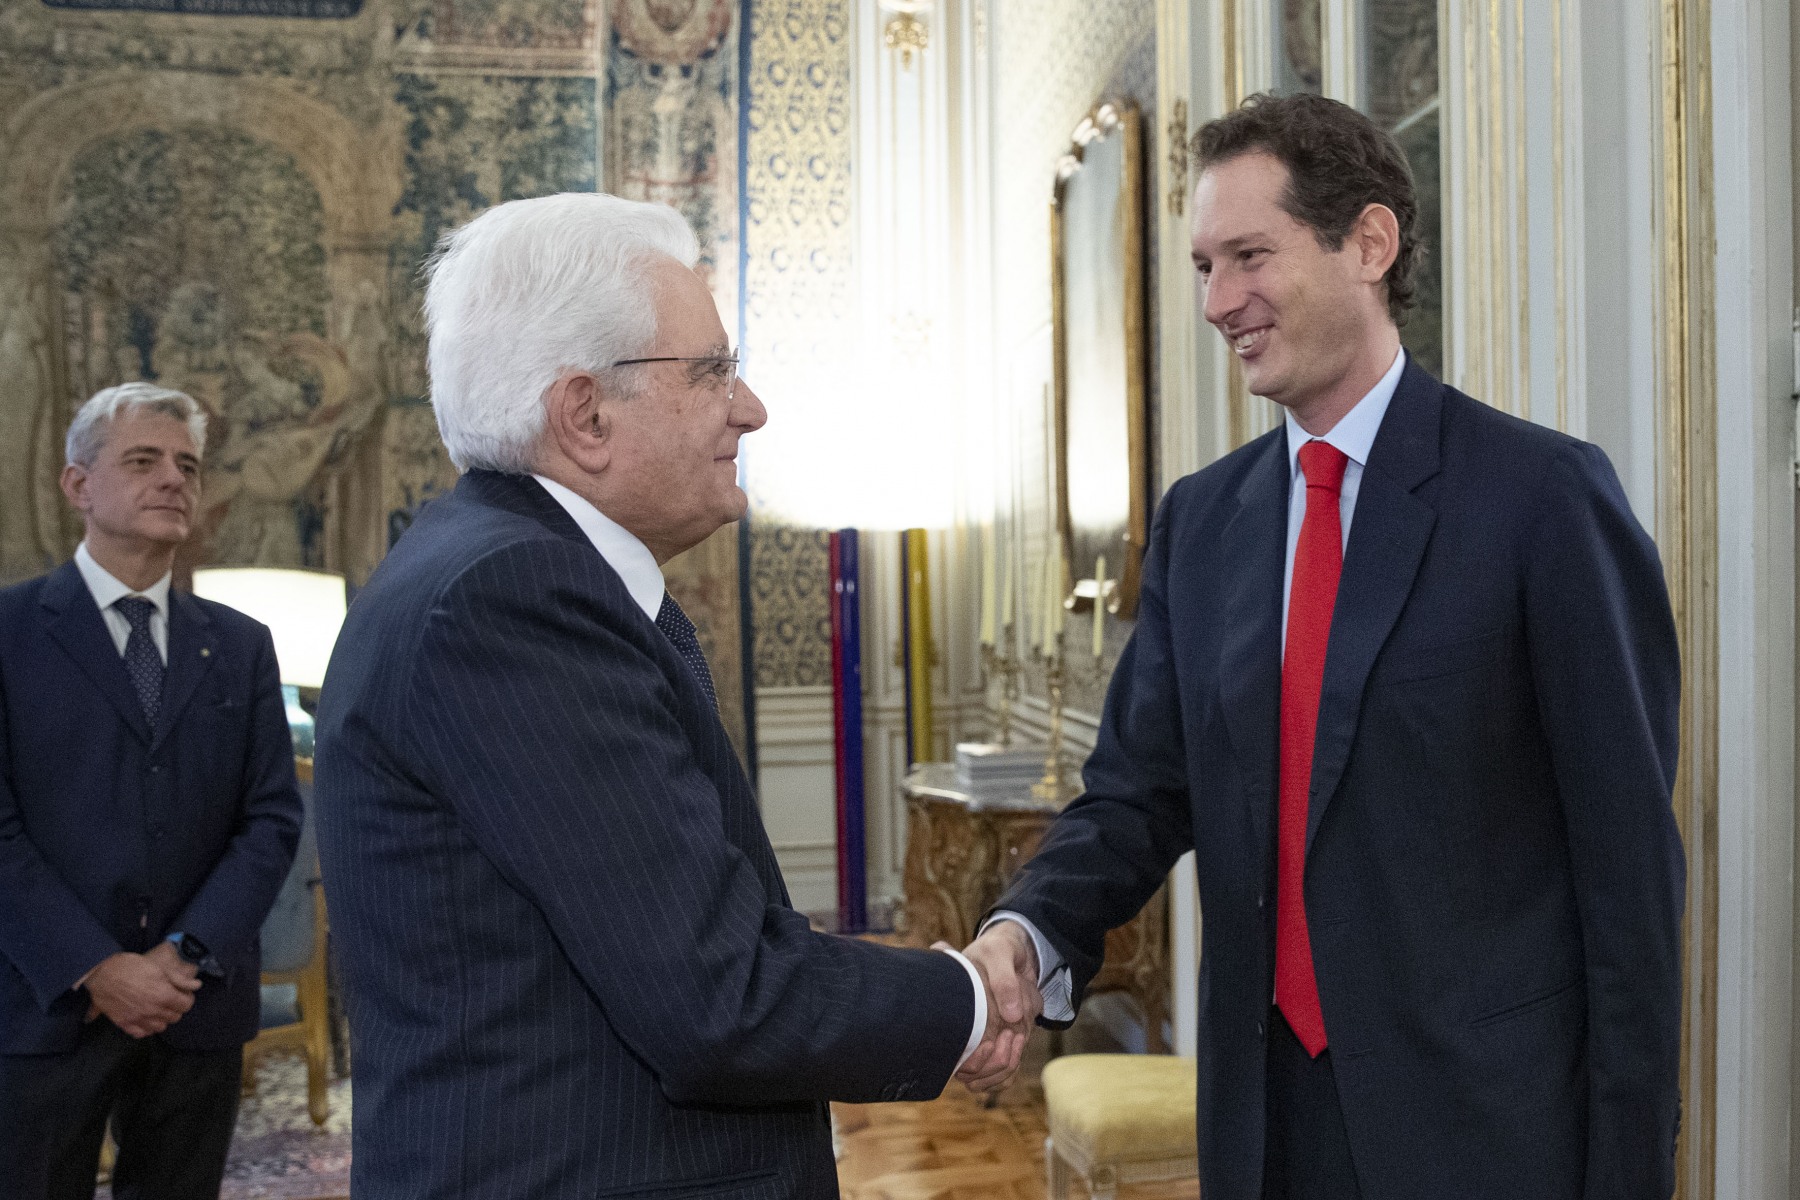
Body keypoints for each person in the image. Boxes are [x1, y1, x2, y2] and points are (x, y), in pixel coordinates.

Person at [967, 92, 1684, 1200]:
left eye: (1250, 254)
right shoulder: (1203, 525)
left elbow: (1629, 883)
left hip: (1489, 1131)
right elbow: (1133, 796)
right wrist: (1026, 928)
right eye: (1204, 265)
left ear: (1369, 243)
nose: (1218, 301)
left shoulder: (1541, 499)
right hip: (1266, 1131)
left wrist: (1629, 1171)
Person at [313, 193, 1025, 1200]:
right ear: (586, 413)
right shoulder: (512, 600)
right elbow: (717, 996)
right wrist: (965, 995)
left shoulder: (498, 568)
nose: (751, 408)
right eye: (713, 372)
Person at [0, 382, 304, 1200]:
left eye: (187, 465)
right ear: (78, 485)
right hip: (47, 1005)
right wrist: (97, 967)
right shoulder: (11, 631)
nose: (173, 479)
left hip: (193, 1007)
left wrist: (182, 956)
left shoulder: (240, 646)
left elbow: (271, 818)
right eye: (143, 460)